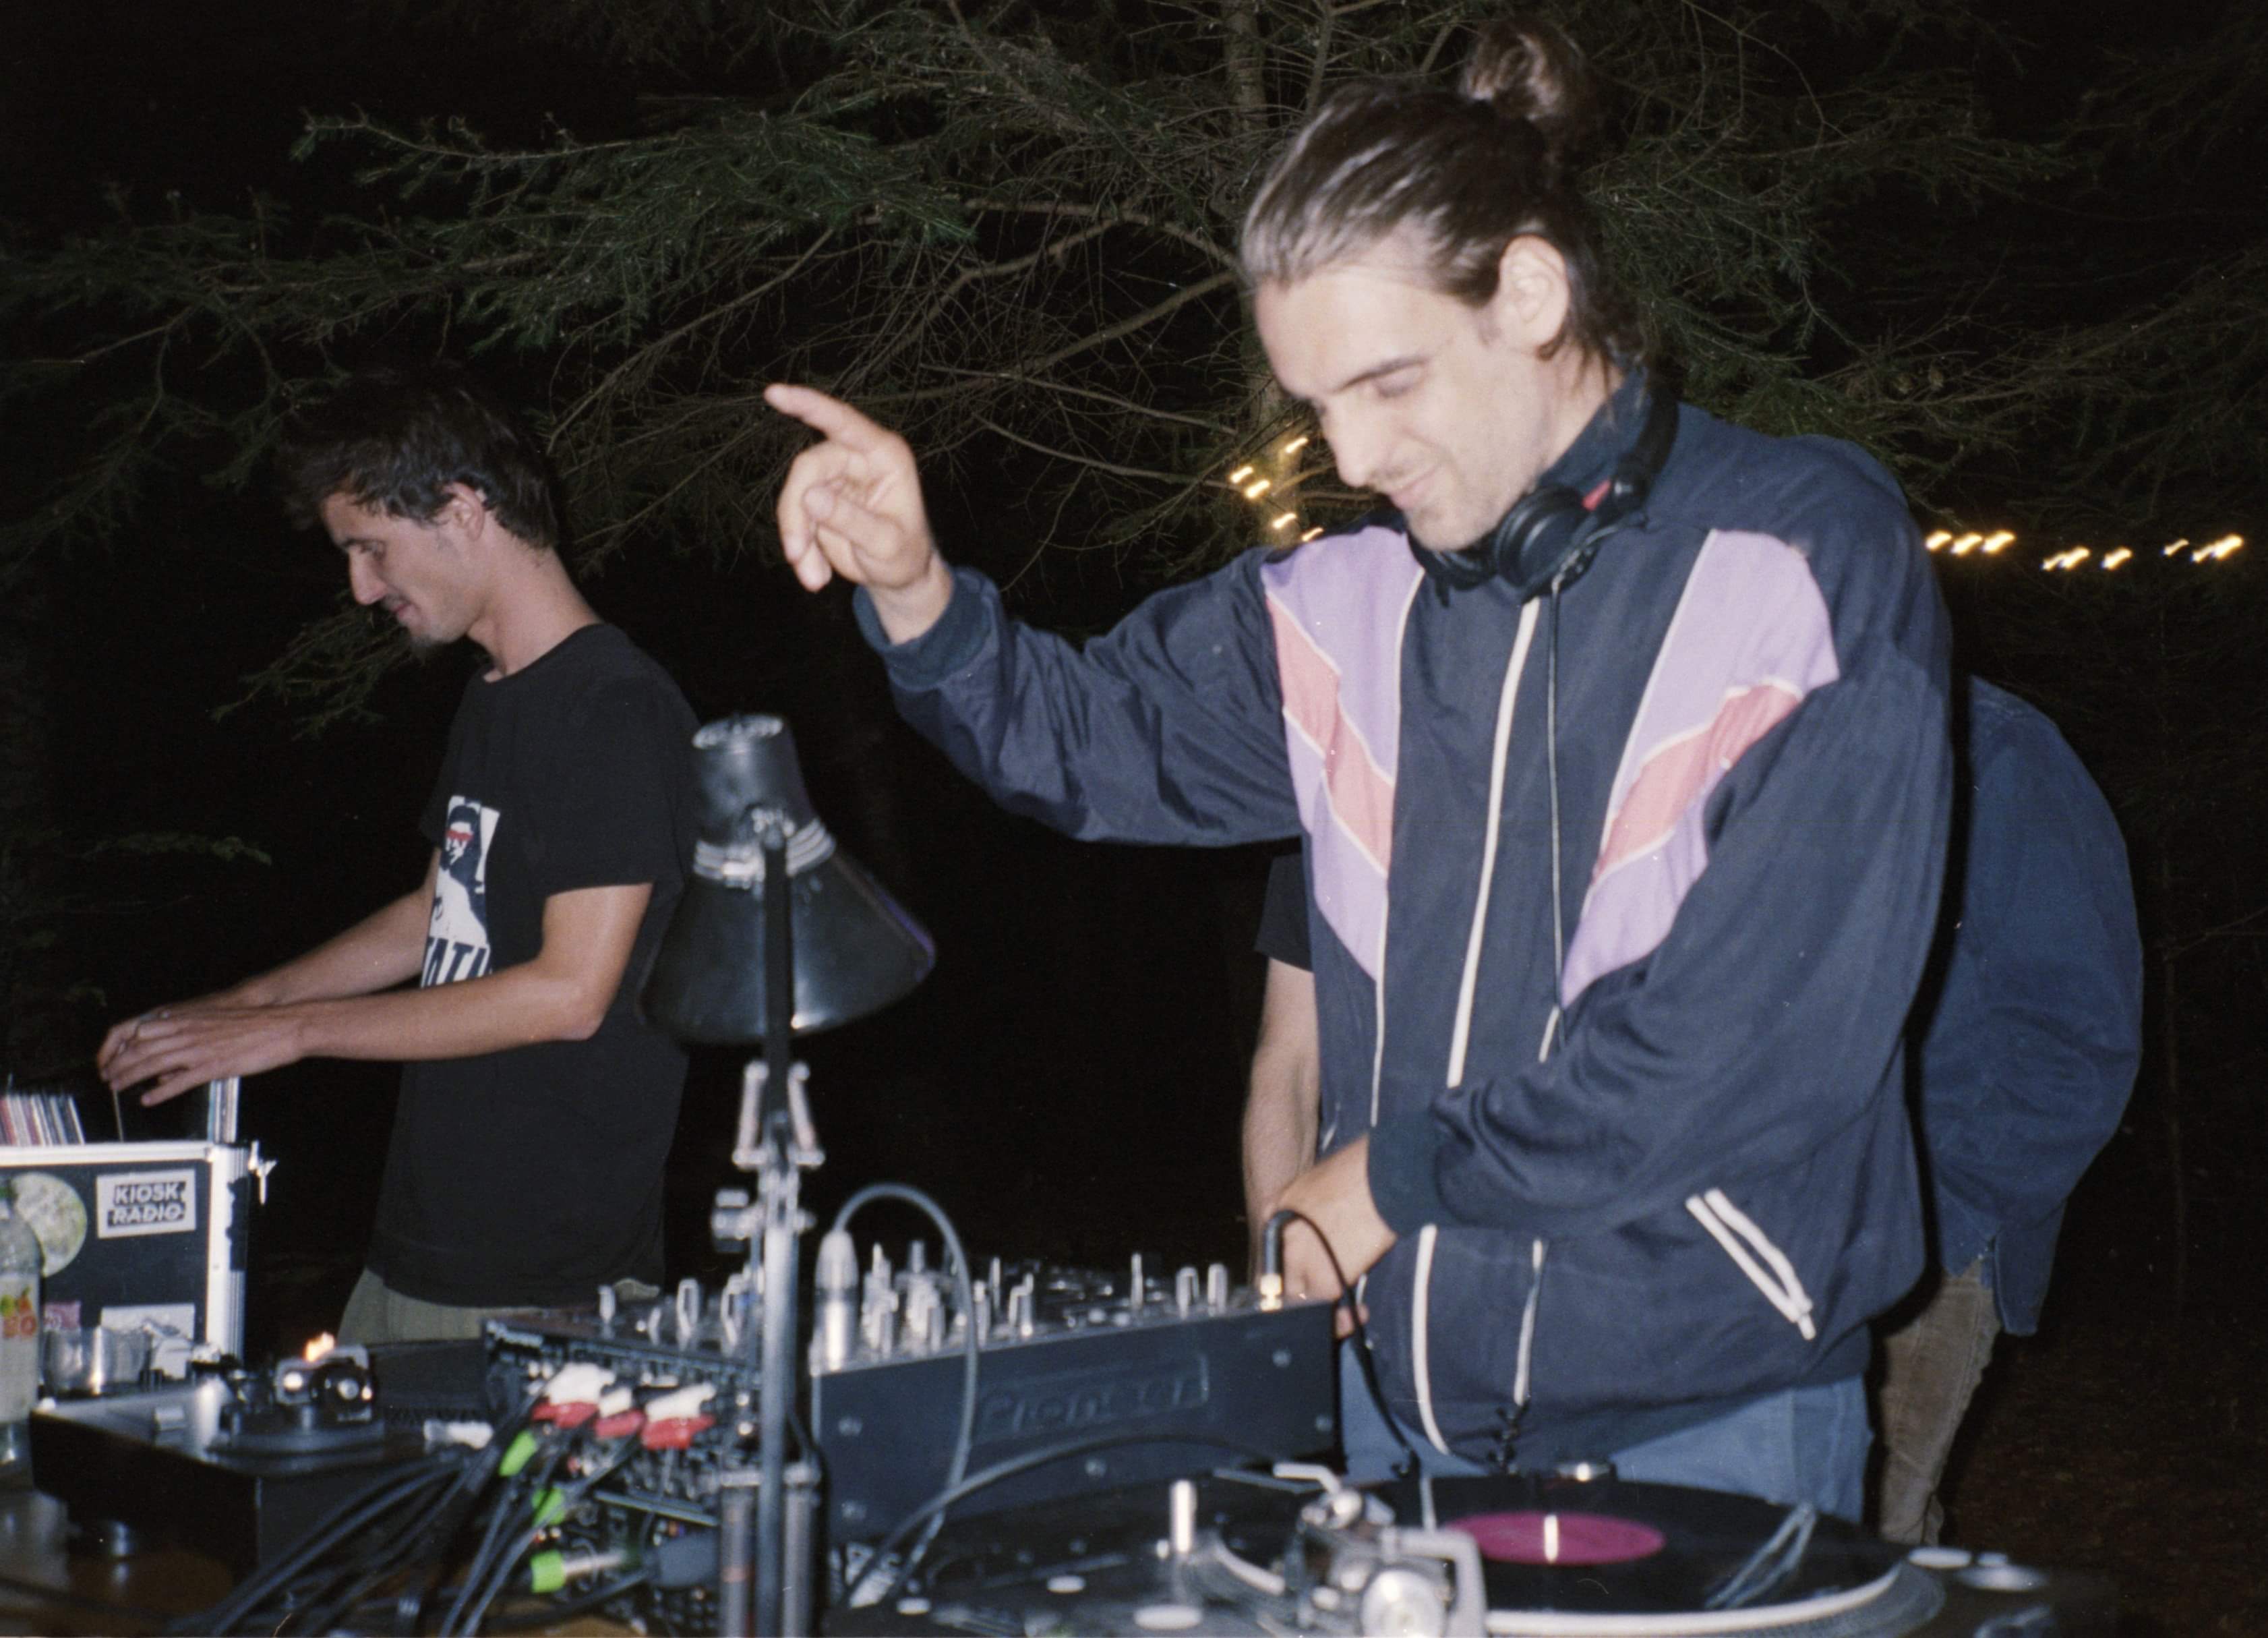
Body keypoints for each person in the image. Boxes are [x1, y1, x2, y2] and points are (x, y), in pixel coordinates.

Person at [767, 18, 1951, 1519]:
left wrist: (1394, 1175)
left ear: (1528, 293)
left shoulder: (1799, 563)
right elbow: (1081, 738)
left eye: (1387, 383)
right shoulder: (1343, 607)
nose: (1349, 456)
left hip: (1704, 1424)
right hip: (1395, 1421)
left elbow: (1748, 1046)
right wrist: (920, 593)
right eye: (1317, 404)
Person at [98, 364, 698, 1344]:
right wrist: (245, 1005)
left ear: (461, 510)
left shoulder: (612, 708)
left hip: (539, 1276)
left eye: (372, 548)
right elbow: (436, 912)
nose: (362, 588)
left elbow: (569, 993)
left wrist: (296, 1032)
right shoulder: (498, 694)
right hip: (424, 1241)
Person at [1874, 676, 2141, 1543]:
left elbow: (2080, 1039)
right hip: (1787, 1238)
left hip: (1927, 1249)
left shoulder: (1998, 750)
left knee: (1864, 1549)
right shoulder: (1764, 728)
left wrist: (1942, 1220)